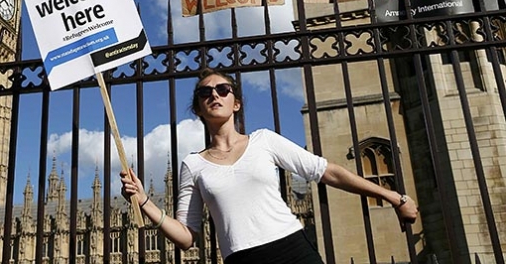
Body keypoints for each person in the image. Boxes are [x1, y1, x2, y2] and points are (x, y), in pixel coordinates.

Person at [120, 68, 419, 264]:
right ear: (198, 109)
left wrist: (395, 197)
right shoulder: (193, 164)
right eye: (205, 92)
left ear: (236, 103)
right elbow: (187, 237)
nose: (214, 94)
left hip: (292, 248)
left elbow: (327, 171)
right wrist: (144, 201)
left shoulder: (264, 140)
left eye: (223, 89)